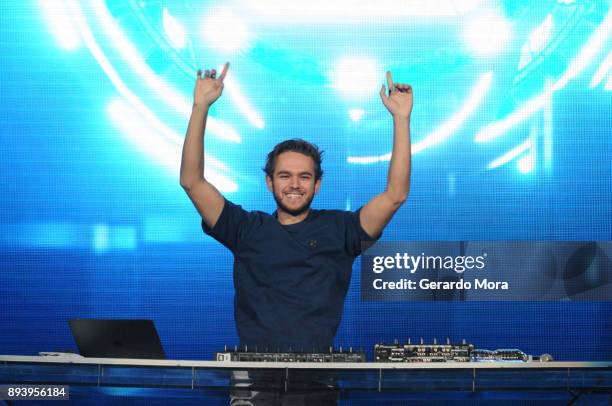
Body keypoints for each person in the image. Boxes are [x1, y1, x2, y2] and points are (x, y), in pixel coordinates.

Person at [179, 62, 412, 402]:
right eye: (285, 175)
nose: (294, 185)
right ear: (269, 182)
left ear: (317, 185)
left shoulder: (341, 229)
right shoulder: (246, 228)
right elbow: (192, 181)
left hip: (316, 382)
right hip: (252, 382)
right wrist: (200, 107)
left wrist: (401, 120)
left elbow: (396, 195)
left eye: (304, 177)